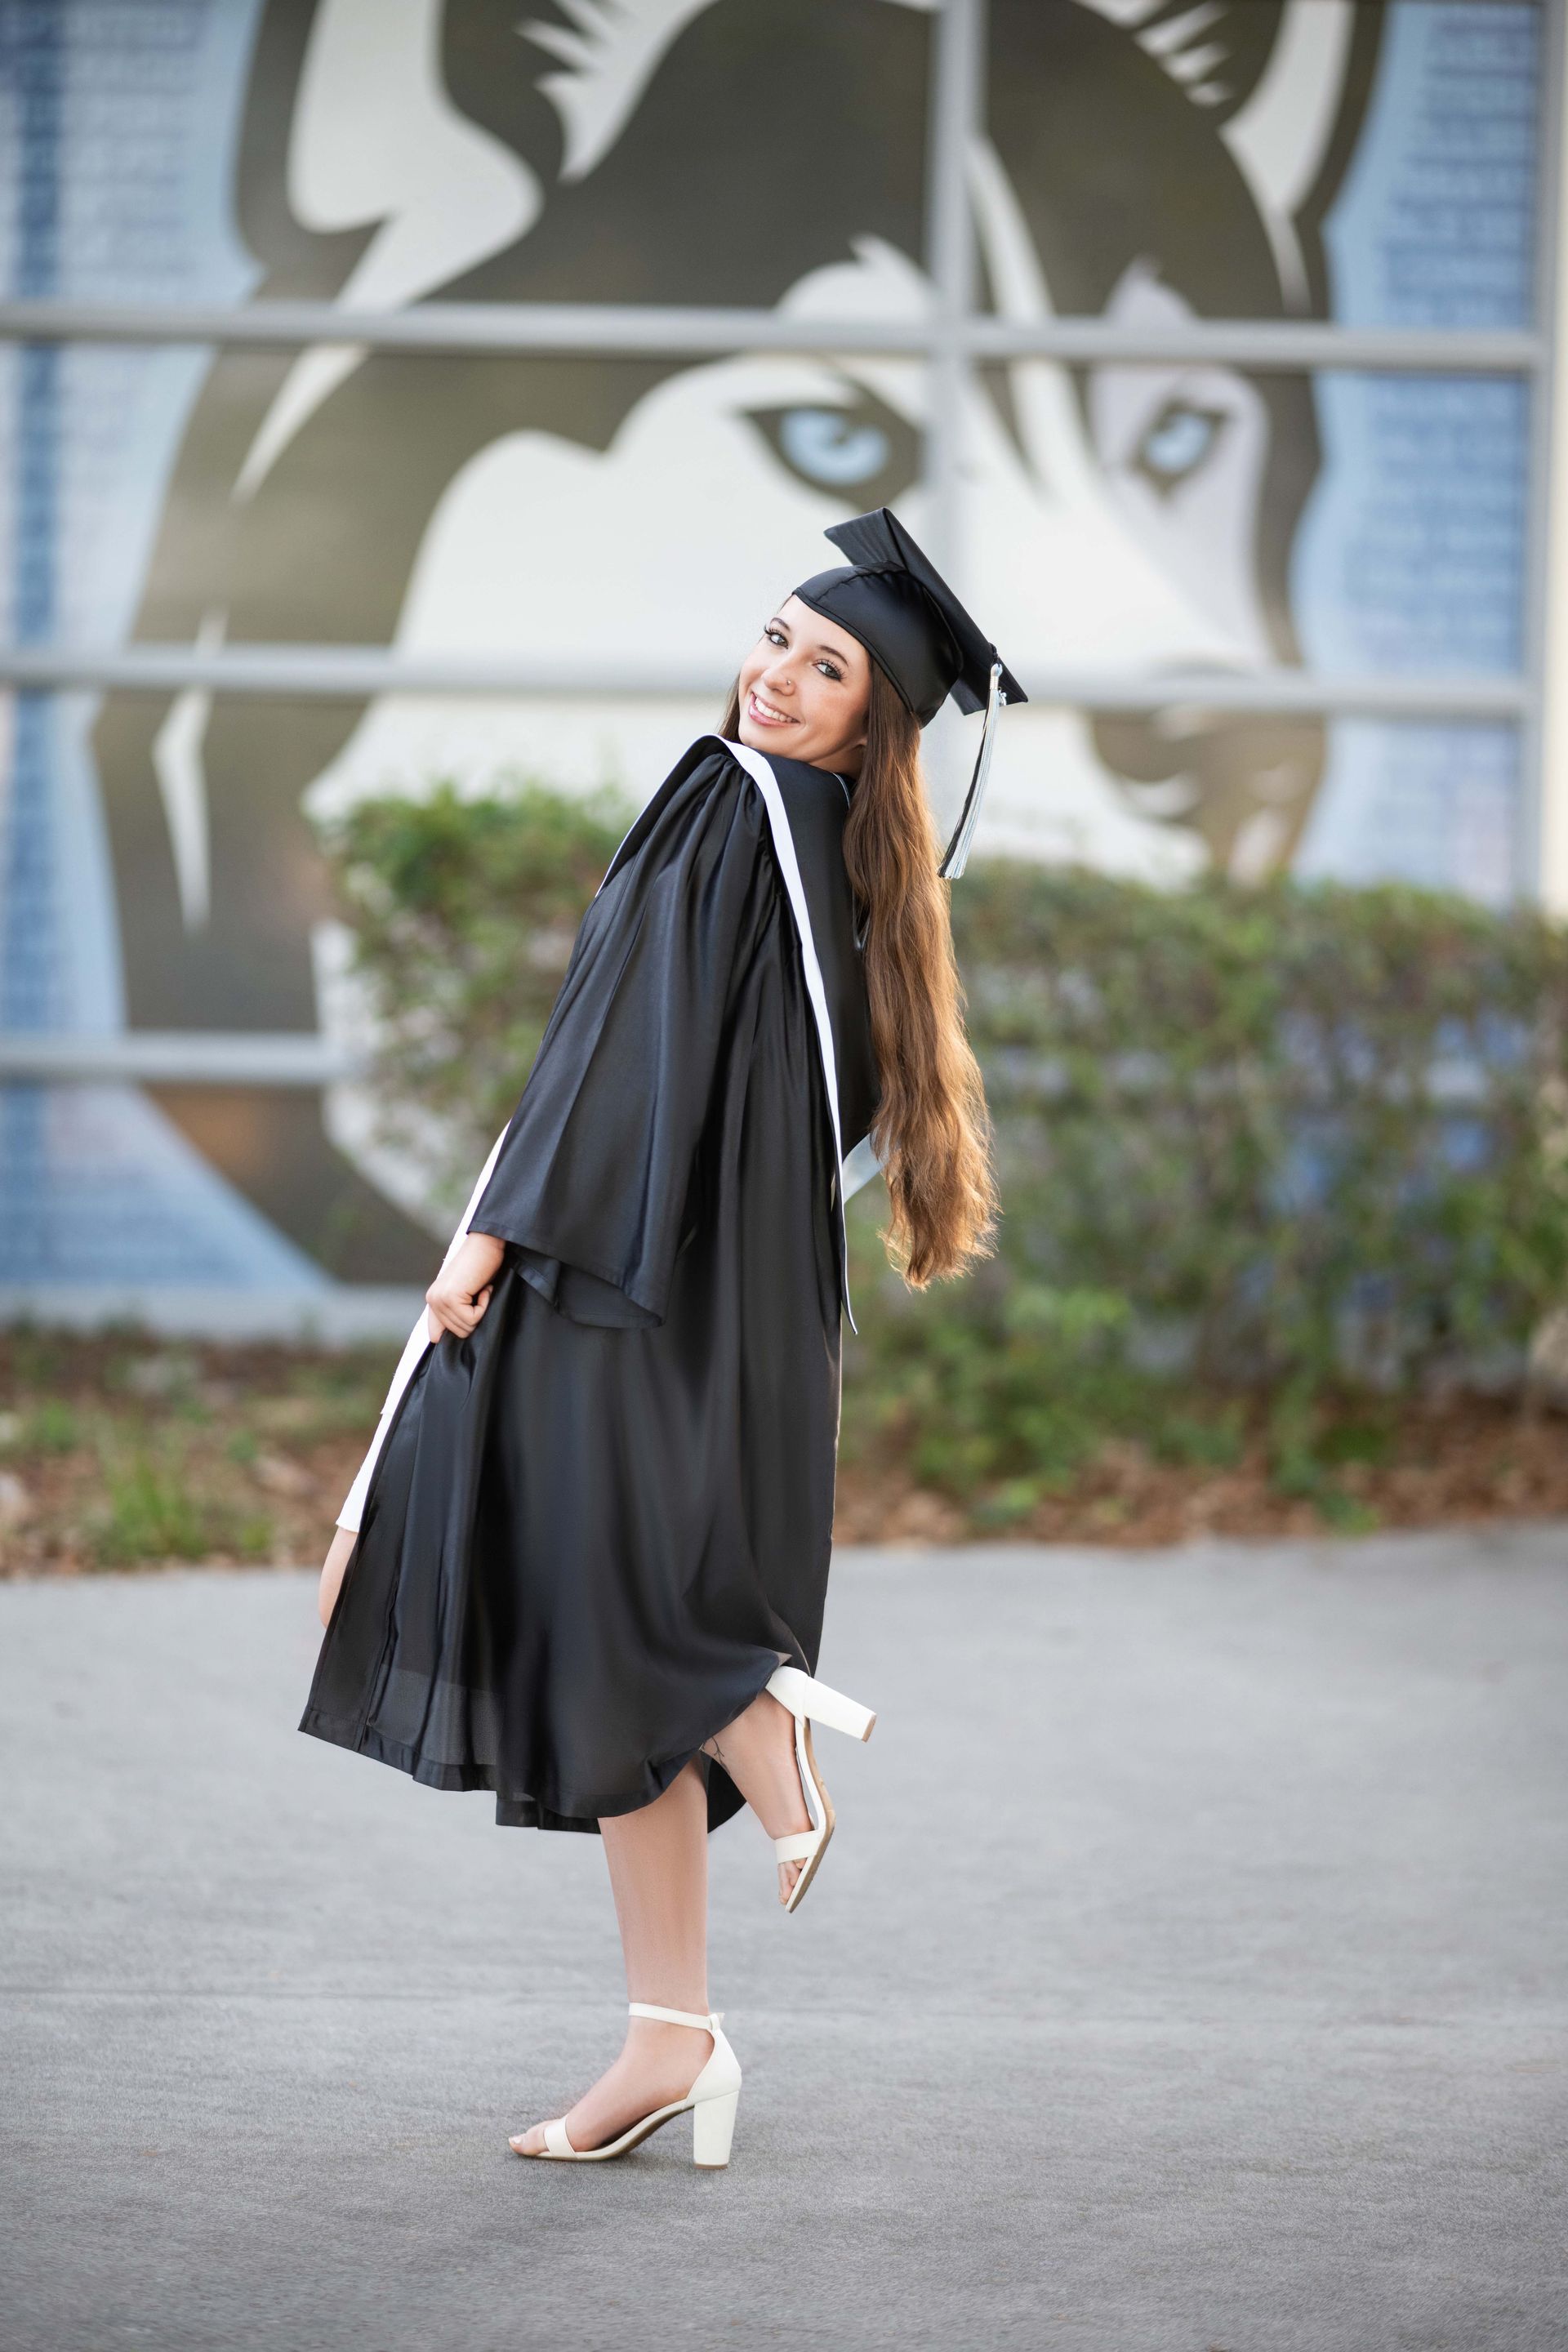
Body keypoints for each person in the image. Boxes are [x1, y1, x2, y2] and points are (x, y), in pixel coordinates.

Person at [301, 509, 1022, 2167]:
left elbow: (625, 1047)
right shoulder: (844, 858)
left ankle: (747, 1712)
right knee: (590, 1618)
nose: (776, 677)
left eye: (823, 667)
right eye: (777, 637)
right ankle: (672, 2037)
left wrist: (485, 1237)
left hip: (618, 1280)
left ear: (872, 722)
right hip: (737, 1308)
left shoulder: (728, 803)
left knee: (543, 1581)